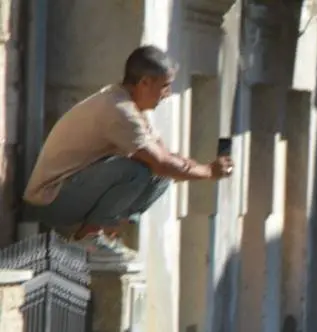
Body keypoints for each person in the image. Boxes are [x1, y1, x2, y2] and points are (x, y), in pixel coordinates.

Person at [24, 46, 235, 242]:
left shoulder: (130, 108)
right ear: (144, 83)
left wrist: (199, 168)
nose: (168, 94)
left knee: (161, 175)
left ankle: (103, 234)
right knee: (137, 170)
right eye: (165, 86)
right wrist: (208, 171)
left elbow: (166, 159)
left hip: (72, 193)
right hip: (48, 200)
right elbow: (161, 162)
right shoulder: (118, 109)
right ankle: (90, 238)